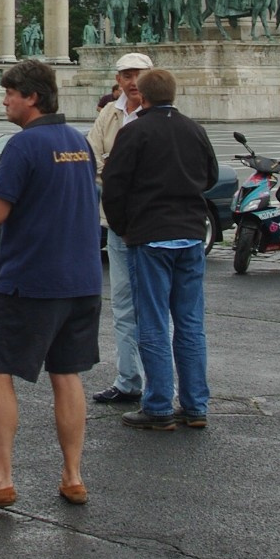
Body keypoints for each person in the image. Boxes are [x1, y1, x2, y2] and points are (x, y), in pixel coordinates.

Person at [0, 59, 102, 510]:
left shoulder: (25, 145)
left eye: (10, 96)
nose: (5, 103)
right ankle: (73, 475)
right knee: (67, 374)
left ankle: (0, 478)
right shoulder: (79, 142)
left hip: (31, 280)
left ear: (32, 98)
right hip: (82, 279)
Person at [100, 69, 218, 432]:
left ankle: (158, 404)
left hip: (150, 236)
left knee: (151, 322)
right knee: (189, 322)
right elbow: (210, 176)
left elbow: (114, 186)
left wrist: (124, 226)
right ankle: (196, 404)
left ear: (142, 97)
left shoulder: (134, 132)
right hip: (190, 234)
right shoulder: (194, 129)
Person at [86, 52, 153, 408]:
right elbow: (91, 155)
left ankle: (158, 384)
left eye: (137, 75)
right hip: (115, 222)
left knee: (154, 306)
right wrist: (115, 170)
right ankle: (128, 379)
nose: (131, 81)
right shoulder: (108, 113)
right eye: (125, 75)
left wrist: (116, 167)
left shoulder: (159, 114)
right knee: (123, 305)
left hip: (150, 225)